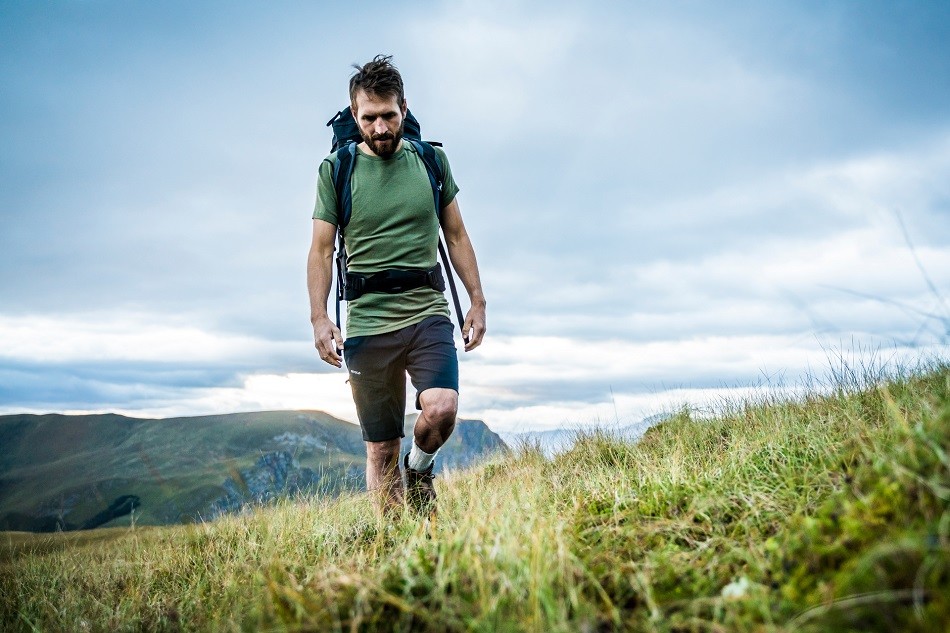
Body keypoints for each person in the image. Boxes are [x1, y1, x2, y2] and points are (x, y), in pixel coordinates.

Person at [307, 55, 486, 517]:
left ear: (404, 107)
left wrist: (477, 301)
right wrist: (320, 316)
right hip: (367, 324)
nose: (381, 128)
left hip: (427, 310)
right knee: (381, 450)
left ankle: (421, 467)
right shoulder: (337, 170)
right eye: (369, 118)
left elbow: (457, 235)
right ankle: (397, 545)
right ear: (354, 116)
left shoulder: (431, 161)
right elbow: (321, 249)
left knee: (442, 407)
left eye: (389, 115)